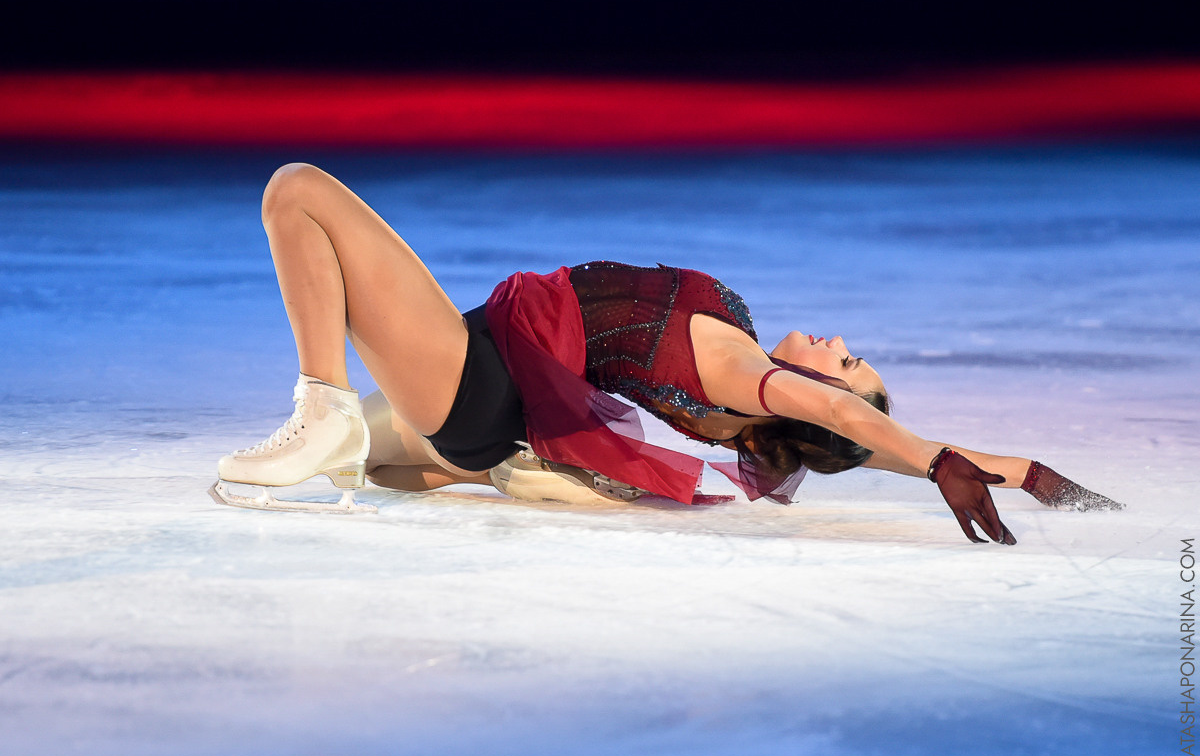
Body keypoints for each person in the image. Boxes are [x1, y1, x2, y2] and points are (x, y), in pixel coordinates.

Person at [211, 163, 1123, 542]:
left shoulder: (752, 381)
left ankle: (324, 402)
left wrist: (929, 461)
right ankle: (495, 467)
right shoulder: (744, 374)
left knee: (298, 190)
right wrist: (1034, 476)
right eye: (853, 356)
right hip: (491, 387)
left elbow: (841, 418)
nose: (842, 346)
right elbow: (854, 436)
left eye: (847, 362)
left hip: (476, 382)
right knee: (377, 469)